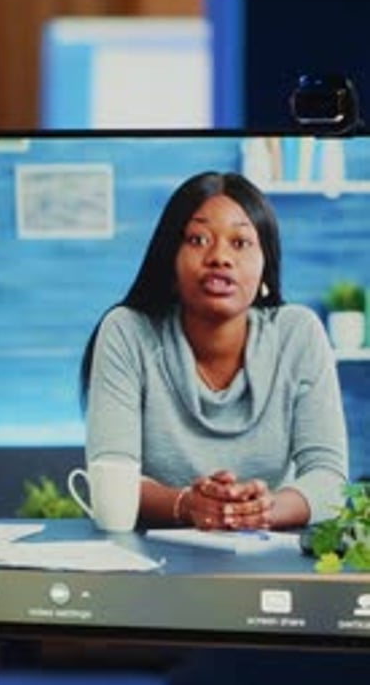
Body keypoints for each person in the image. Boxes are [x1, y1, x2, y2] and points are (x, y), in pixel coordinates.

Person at [80, 171, 348, 531]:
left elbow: (329, 479)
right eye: (198, 239)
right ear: (170, 261)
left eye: (240, 242)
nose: (220, 257)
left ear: (265, 265)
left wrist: (261, 510)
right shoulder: (128, 332)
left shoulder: (298, 333)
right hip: (147, 556)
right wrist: (186, 505)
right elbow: (112, 475)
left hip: (269, 553)